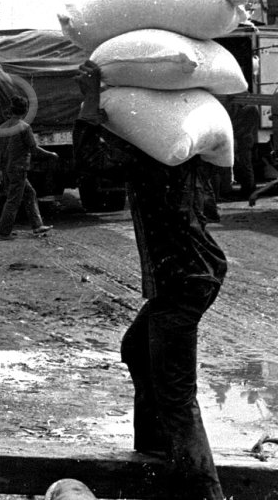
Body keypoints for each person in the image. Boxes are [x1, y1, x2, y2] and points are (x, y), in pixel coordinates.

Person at [74, 60, 226, 500]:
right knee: (137, 349)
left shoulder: (157, 153)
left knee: (177, 396)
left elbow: (90, 161)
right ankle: (156, 457)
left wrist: (89, 100)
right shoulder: (176, 144)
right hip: (187, 277)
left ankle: (205, 492)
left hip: (183, 281)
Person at [0, 95, 58, 239]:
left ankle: (37, 225)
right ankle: (3, 232)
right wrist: (51, 154)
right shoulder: (24, 127)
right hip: (19, 168)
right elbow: (34, 149)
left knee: (29, 194)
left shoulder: (3, 127)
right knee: (13, 200)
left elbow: (0, 150)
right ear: (25, 110)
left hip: (8, 168)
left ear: (11, 109)